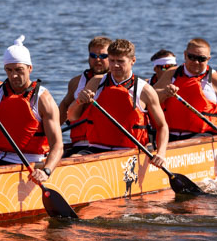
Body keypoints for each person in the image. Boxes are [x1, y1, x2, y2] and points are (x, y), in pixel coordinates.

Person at [0, 36, 63, 184]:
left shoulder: (43, 99)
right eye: (9, 70)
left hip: (33, 162)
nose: (14, 75)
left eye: (19, 70)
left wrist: (46, 171)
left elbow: (58, 145)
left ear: (30, 68)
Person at [67, 39, 168, 169]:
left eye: (120, 61)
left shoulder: (145, 90)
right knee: (72, 160)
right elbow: (72, 117)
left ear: (133, 61)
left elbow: (162, 126)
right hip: (96, 149)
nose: (115, 65)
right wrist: (78, 102)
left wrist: (161, 153)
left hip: (129, 152)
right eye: (112, 60)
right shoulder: (97, 82)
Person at [154, 38, 217, 148]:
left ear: (208, 59)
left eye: (201, 59)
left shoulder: (216, 80)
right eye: (192, 57)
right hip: (170, 134)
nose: (196, 62)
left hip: (204, 137)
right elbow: (151, 99)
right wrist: (164, 93)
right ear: (185, 55)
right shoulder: (171, 74)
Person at [58, 36, 112, 156]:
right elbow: (62, 113)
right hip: (79, 144)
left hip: (106, 145)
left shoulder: (117, 83)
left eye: (103, 56)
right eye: (93, 56)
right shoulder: (76, 82)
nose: (97, 60)